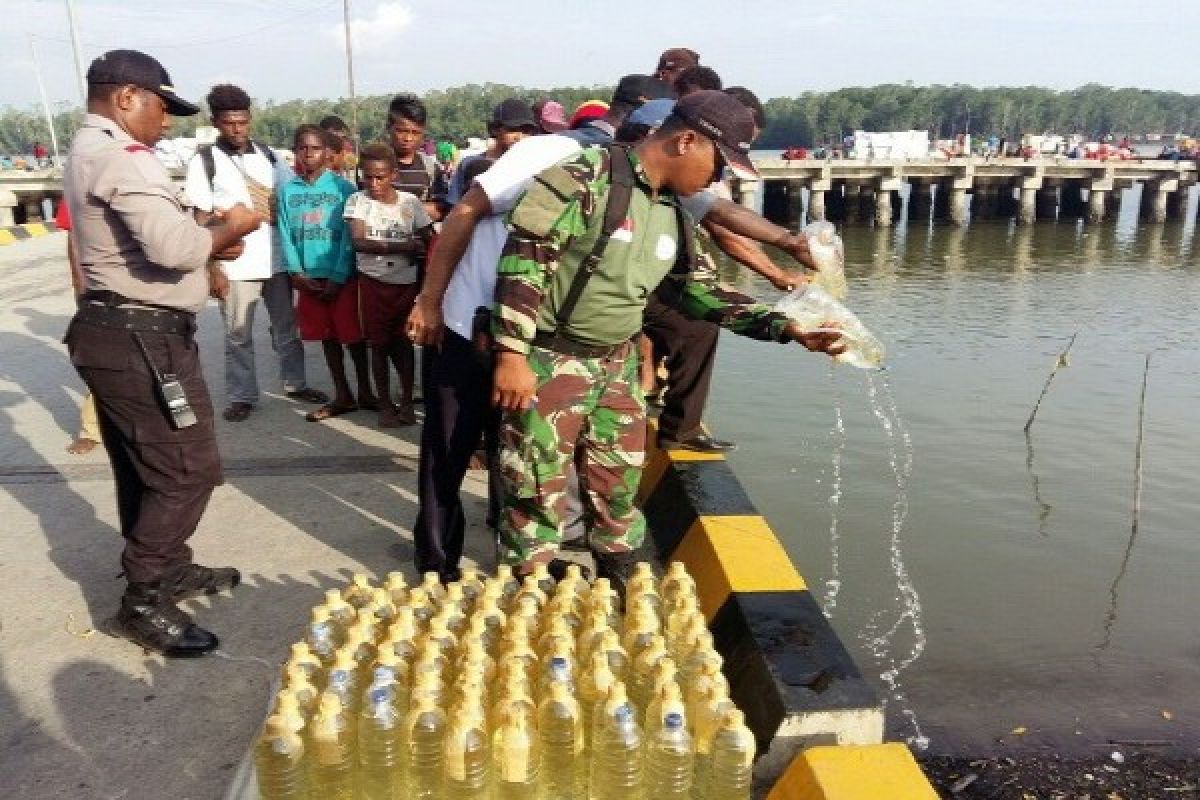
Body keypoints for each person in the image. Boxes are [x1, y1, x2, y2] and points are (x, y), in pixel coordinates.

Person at [489, 91, 844, 585]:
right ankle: (528, 591)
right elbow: (524, 264)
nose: (717, 179)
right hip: (551, 360)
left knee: (618, 483)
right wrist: (511, 355)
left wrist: (785, 327)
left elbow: (698, 291)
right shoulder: (583, 177)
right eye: (719, 164)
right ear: (687, 141)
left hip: (615, 366)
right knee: (535, 488)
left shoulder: (674, 208)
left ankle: (621, 577)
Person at [63, 49, 263, 656]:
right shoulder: (123, 155)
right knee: (186, 470)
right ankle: (144, 598)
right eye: (161, 107)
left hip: (124, 333)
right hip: (139, 338)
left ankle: (167, 566)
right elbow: (175, 248)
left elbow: (164, 239)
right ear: (126, 98)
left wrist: (206, 241)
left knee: (148, 467)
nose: (167, 122)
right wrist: (235, 226)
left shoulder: (91, 150)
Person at [184, 83, 326, 423]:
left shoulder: (269, 155)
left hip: (276, 259)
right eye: (229, 122)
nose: (237, 129)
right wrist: (211, 269)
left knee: (286, 329)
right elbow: (201, 219)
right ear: (216, 122)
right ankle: (242, 396)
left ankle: (295, 383)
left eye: (243, 121)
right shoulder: (205, 162)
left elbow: (292, 197)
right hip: (235, 264)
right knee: (237, 335)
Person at [278, 125, 377, 421]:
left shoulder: (344, 189)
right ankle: (342, 394)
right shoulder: (288, 191)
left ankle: (365, 391)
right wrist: (295, 272)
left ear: (327, 153)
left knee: (353, 336)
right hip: (308, 278)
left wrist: (338, 275)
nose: (308, 154)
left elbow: (350, 237)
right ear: (295, 152)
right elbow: (285, 233)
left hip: (340, 276)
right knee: (327, 338)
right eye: (302, 148)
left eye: (315, 148)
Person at [344, 143, 435, 427]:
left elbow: (429, 239)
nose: (374, 183)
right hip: (372, 282)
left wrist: (414, 249)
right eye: (368, 176)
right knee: (378, 346)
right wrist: (406, 246)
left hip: (405, 285)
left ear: (393, 174)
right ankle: (384, 403)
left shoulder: (409, 203)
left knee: (403, 345)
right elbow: (358, 241)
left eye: (380, 177)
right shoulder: (358, 202)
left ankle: (407, 401)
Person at [55, 199, 102, 455]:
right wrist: (81, 290)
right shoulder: (78, 186)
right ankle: (91, 430)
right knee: (98, 362)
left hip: (140, 283)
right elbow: (74, 241)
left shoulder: (138, 173)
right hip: (99, 289)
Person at [447, 98, 538, 207]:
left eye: (526, 131)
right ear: (494, 129)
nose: (519, 137)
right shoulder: (470, 164)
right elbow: (454, 208)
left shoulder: (535, 167)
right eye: (512, 129)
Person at [386, 93, 449, 222]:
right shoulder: (373, 165)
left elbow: (440, 210)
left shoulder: (431, 169)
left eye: (415, 133)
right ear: (388, 128)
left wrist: (397, 209)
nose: (408, 138)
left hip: (418, 240)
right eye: (402, 131)